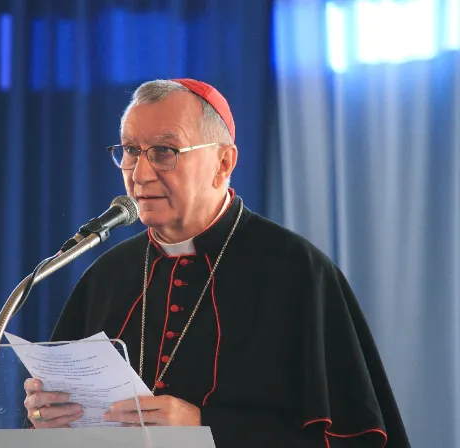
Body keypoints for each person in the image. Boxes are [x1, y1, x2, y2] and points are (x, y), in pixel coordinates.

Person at [22, 79, 410, 447]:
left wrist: (204, 429)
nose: (139, 174)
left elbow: (348, 436)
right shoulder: (107, 275)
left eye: (164, 151)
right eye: (129, 150)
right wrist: (47, 419)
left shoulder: (296, 271)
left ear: (223, 163)